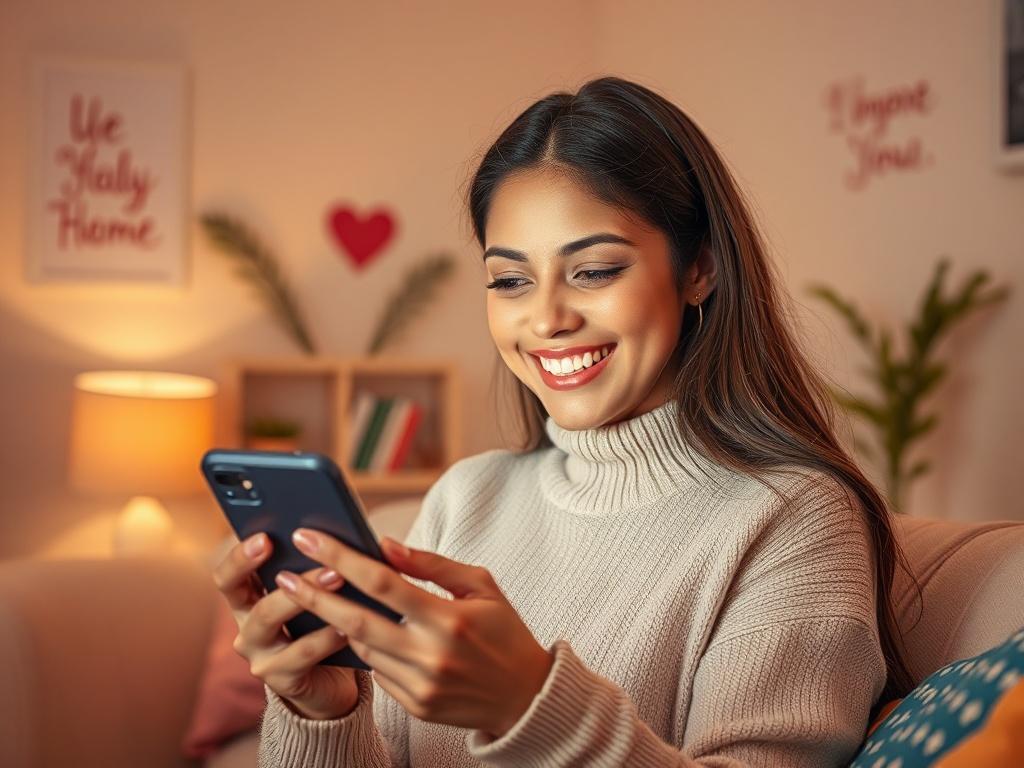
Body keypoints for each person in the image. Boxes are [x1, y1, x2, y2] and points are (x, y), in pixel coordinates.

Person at [213, 76, 919, 767]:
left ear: (699, 267)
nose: (547, 319)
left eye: (595, 270)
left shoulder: (792, 517)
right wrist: (323, 711)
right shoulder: (467, 496)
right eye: (511, 280)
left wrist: (528, 708)